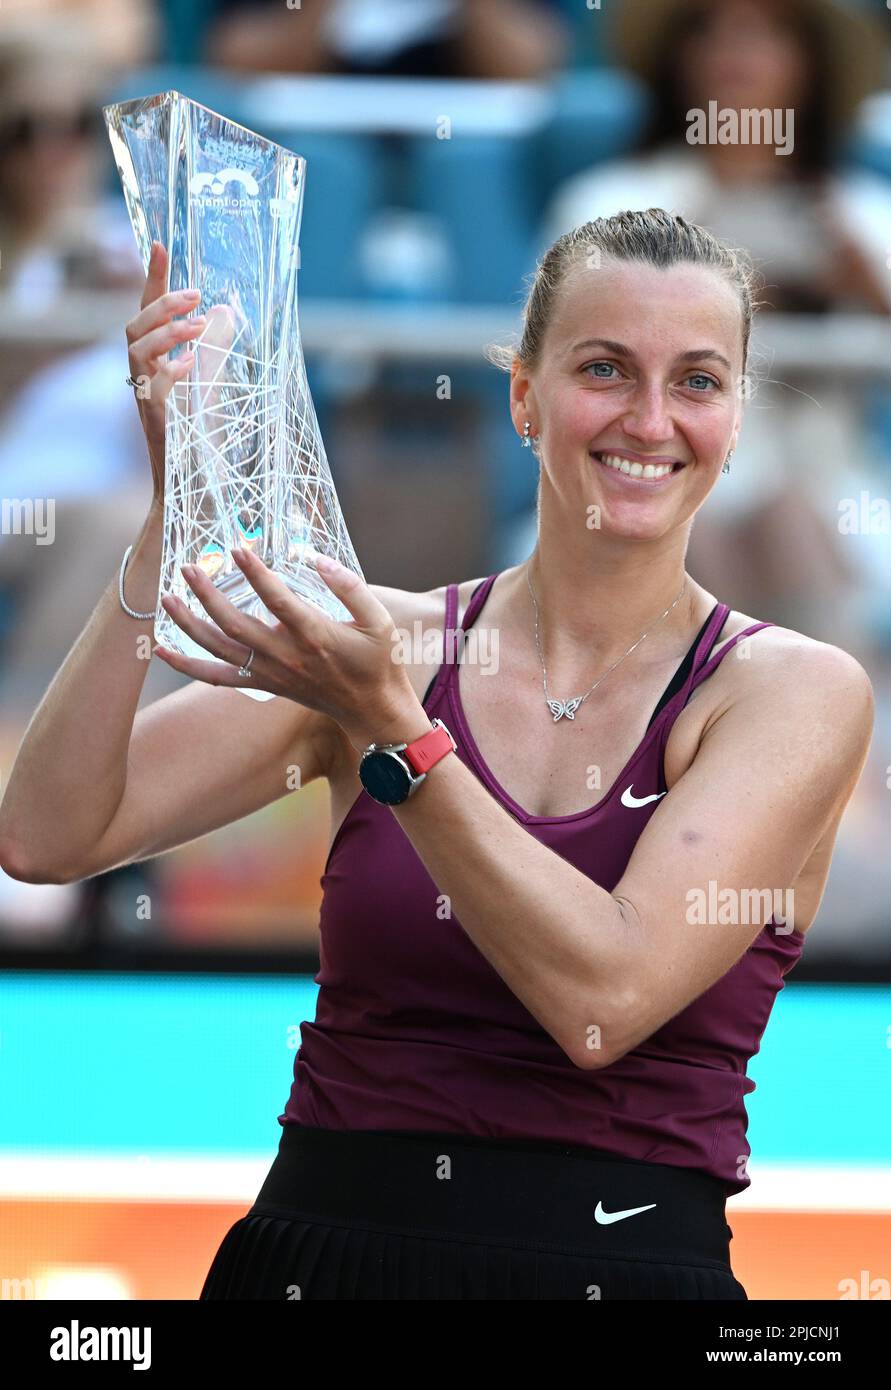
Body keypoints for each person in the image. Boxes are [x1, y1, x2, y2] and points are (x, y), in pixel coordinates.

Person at [0, 215, 874, 1300]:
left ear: (736, 416)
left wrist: (394, 735)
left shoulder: (793, 689)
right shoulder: (385, 646)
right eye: (604, 369)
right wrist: (168, 518)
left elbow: (604, 997)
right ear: (522, 398)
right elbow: (45, 833)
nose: (651, 420)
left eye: (697, 380)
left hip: (632, 1275)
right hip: (319, 1262)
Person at [536, 0, 891, 653]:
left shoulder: (868, 218)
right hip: (644, 471)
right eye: (711, 30)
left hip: (835, 487)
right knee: (729, 526)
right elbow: (553, 358)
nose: (737, 53)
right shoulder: (606, 203)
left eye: (768, 33)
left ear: (810, 62)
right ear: (679, 57)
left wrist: (868, 293)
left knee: (785, 519)